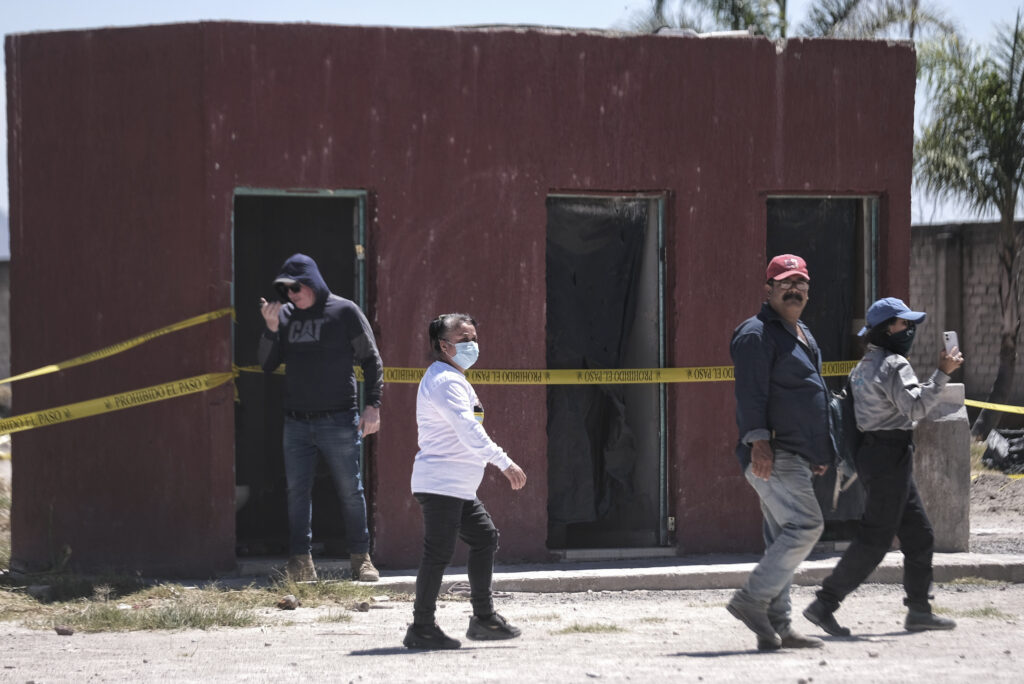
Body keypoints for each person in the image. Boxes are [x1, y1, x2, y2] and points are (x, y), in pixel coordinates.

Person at [803, 297, 964, 635]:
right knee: (875, 539)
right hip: (891, 455)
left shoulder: (863, 365)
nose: (910, 329)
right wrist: (942, 374)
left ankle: (919, 610)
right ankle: (824, 603)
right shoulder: (894, 364)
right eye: (905, 323)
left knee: (919, 535)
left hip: (876, 456)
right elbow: (916, 409)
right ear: (888, 328)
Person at [402, 313, 528, 650]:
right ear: (444, 346)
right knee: (438, 553)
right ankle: (422, 627)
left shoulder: (452, 378)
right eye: (464, 340)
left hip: (455, 486)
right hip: (441, 484)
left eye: (474, 337)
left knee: (484, 537)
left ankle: (483, 619)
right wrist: (504, 462)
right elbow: (468, 430)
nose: (472, 345)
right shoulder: (446, 381)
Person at [728, 254, 833, 651]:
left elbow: (811, 395)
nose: (795, 290)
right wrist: (759, 442)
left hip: (797, 454)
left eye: (801, 284)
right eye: (786, 283)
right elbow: (750, 394)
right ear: (768, 289)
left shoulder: (801, 331)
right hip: (773, 452)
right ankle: (751, 599)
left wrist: (820, 449)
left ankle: (778, 626)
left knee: (780, 539)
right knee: (806, 526)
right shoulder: (756, 334)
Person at [258, 253, 383, 583]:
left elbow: (371, 360)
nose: (290, 296)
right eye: (284, 290)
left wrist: (373, 406)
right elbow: (266, 364)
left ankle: (361, 558)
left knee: (349, 490)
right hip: (296, 422)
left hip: (338, 419)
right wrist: (271, 329)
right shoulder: (284, 316)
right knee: (297, 492)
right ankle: (301, 562)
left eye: (295, 288)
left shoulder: (343, 311)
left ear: (312, 282)